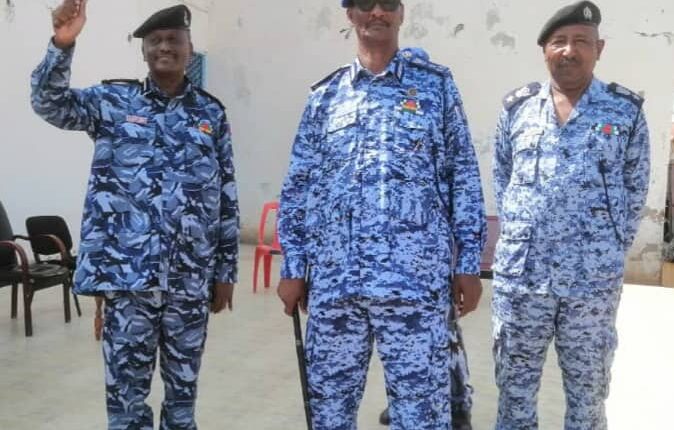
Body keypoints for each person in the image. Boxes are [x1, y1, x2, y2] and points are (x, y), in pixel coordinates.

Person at [277, 1, 486, 428]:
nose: (377, 12)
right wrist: (294, 267)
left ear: (401, 13)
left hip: (415, 286)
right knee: (329, 414)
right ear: (350, 14)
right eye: (365, 4)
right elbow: (299, 187)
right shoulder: (325, 96)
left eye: (387, 3)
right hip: (336, 286)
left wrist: (468, 263)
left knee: (421, 417)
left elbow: (462, 176)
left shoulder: (436, 87)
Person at [31, 2, 239, 429]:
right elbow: (49, 103)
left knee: (183, 397)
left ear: (189, 49)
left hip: (189, 281)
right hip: (128, 281)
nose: (165, 47)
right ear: (143, 50)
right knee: (126, 398)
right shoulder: (112, 102)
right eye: (155, 41)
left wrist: (225, 271)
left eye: (174, 40)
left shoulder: (210, 114)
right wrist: (62, 45)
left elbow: (226, 196)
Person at [491, 2, 650, 429]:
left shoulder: (625, 111)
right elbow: (503, 180)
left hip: (591, 286)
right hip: (523, 281)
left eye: (581, 41)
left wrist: (606, 249)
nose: (569, 50)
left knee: (588, 394)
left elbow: (635, 189)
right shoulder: (517, 109)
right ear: (544, 50)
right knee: (514, 391)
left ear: (599, 49)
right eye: (559, 41)